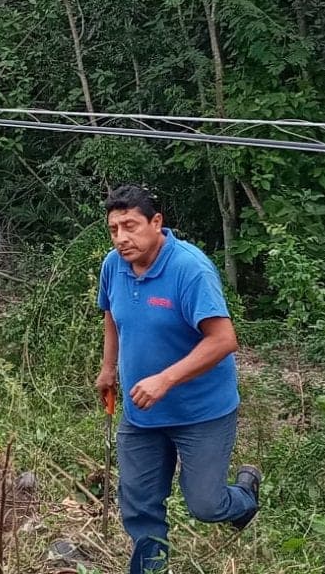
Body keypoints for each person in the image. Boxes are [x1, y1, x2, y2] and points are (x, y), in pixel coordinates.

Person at [94, 185, 260, 574]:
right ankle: (150, 568)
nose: (121, 238)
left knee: (206, 504)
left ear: (156, 222)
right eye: (114, 229)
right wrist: (108, 367)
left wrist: (165, 380)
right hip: (141, 414)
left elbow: (223, 340)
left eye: (130, 226)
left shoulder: (190, 269)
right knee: (139, 504)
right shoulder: (113, 264)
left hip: (200, 412)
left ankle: (245, 495)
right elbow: (111, 317)